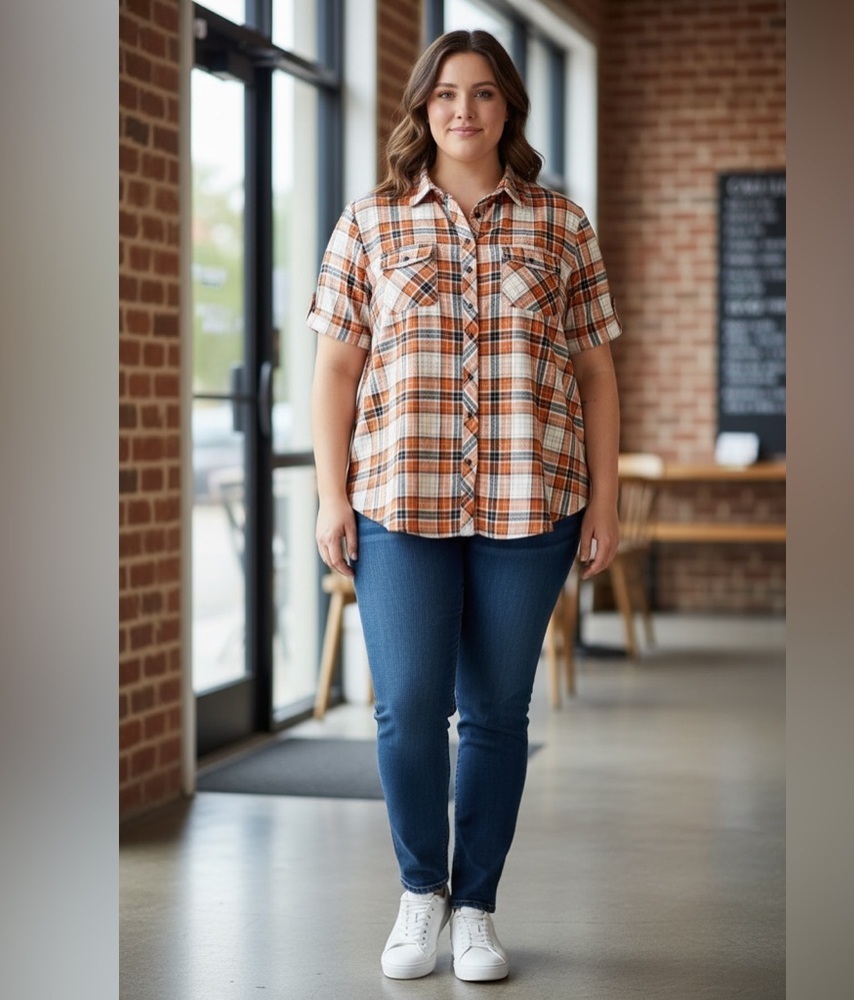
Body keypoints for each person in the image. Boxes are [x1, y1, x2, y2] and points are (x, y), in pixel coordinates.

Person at [308, 29, 621, 982]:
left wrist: (604, 500)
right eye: (446, 94)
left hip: (535, 505)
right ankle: (421, 896)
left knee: (494, 712)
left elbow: (597, 372)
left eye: (484, 94)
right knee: (406, 708)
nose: (464, 111)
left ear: (508, 109)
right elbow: (333, 367)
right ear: (422, 107)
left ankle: (476, 906)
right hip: (399, 504)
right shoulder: (370, 224)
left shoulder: (562, 225)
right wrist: (331, 497)